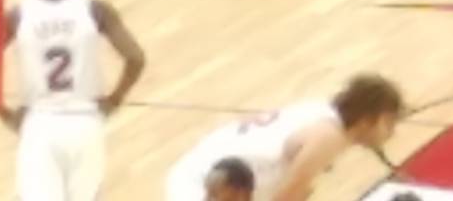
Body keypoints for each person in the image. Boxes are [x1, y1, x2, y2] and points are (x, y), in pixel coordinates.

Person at [1, 0, 147, 201]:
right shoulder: (94, 9)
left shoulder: (18, 15)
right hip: (85, 122)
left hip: (40, 124)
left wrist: (3, 111)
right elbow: (135, 58)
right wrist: (115, 99)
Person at [163, 74, 402, 201]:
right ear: (368, 118)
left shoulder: (318, 110)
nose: (391, 133)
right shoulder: (329, 137)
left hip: (202, 171)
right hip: (206, 184)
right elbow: (288, 195)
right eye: (389, 123)